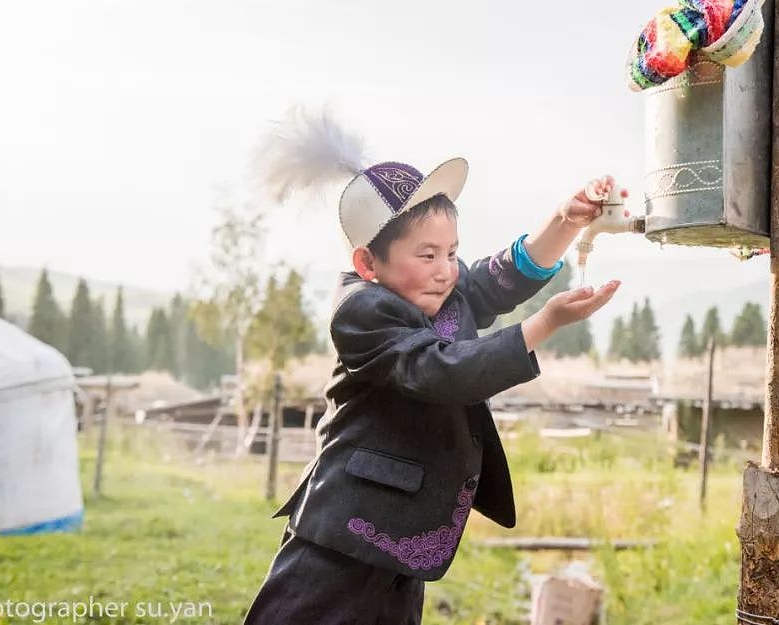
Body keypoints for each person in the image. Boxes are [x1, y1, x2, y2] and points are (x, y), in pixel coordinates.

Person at [242, 108, 621, 625]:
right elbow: (441, 371)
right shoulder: (361, 312)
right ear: (367, 264)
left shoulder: (439, 288)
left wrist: (565, 220)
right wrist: (545, 323)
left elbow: (500, 277)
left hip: (406, 536)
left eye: (452, 252)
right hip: (344, 537)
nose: (446, 271)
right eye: (427, 255)